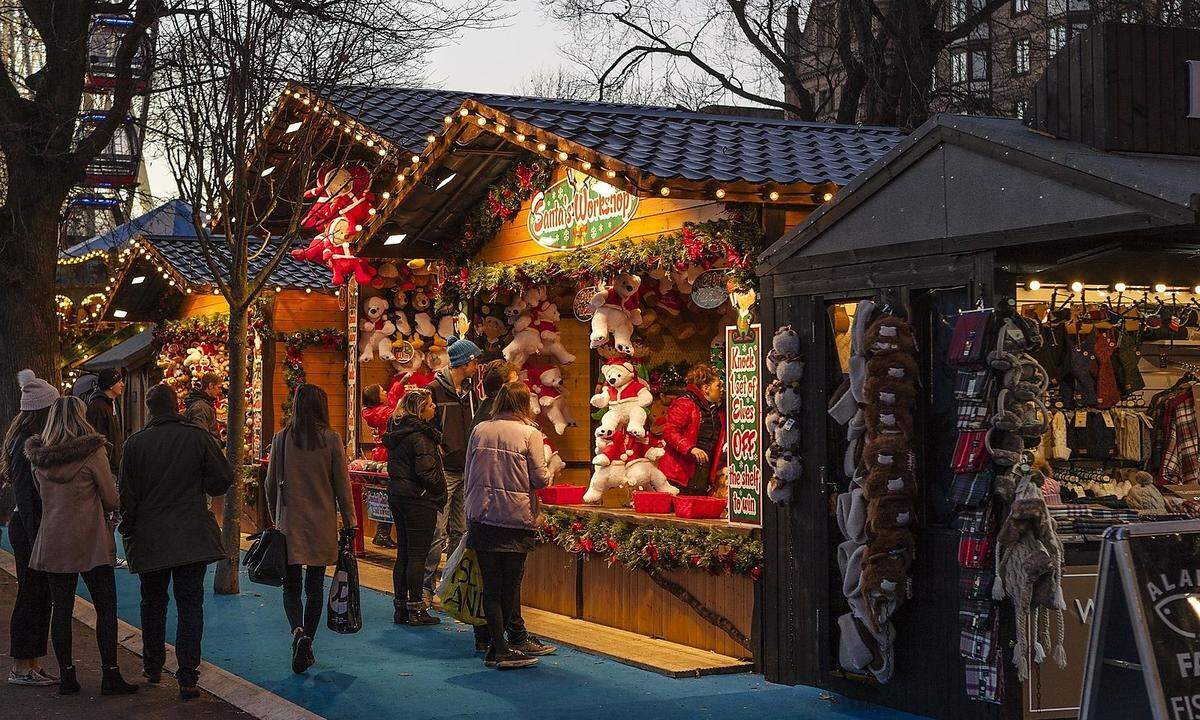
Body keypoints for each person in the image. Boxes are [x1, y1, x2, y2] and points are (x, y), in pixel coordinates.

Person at [119, 384, 233, 700]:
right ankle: (187, 676)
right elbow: (223, 477)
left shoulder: (135, 445)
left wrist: (128, 530)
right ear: (176, 407)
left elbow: (126, 494)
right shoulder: (197, 438)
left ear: (149, 409)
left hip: (151, 536)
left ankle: (153, 665)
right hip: (191, 536)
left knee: (152, 603)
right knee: (190, 605)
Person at [24, 396, 137, 696]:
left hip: (53, 541)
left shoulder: (39, 458)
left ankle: (67, 676)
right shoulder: (92, 452)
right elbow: (112, 498)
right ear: (80, 417)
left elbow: (40, 497)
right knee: (105, 607)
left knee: (60, 610)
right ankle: (110, 674)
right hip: (91, 541)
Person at [264, 384, 356, 675]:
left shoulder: (281, 439)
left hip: (289, 523)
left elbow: (269, 484)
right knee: (314, 587)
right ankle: (309, 642)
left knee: (290, 586)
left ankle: (297, 632)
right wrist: (350, 522)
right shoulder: (331, 440)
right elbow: (342, 485)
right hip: (322, 523)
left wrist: (275, 516)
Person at [465, 361, 554, 657]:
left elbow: (468, 472)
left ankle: (496, 646)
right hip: (515, 518)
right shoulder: (529, 434)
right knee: (510, 585)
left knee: (490, 586)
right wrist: (552, 468)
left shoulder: (480, 430)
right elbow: (540, 478)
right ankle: (508, 643)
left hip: (483, 516)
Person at [4, 370, 57, 687]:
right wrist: (37, 534)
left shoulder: (23, 440)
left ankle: (30, 664)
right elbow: (26, 495)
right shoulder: (27, 444)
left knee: (36, 594)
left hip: (27, 528)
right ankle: (22, 666)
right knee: (32, 595)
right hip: (30, 530)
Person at [422, 336, 483, 598]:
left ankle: (451, 587)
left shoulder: (472, 392)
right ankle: (425, 585)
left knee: (460, 530)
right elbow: (427, 425)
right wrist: (440, 447)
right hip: (445, 469)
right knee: (437, 529)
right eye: (474, 361)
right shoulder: (434, 390)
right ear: (464, 363)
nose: (477, 365)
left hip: (467, 468)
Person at [382, 388, 445, 626]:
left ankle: (401, 607)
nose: (434, 408)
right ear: (420, 410)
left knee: (404, 554)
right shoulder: (421, 435)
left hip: (398, 495)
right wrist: (440, 490)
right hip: (419, 499)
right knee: (418, 555)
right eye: (430, 405)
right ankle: (416, 608)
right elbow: (427, 471)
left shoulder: (397, 431)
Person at [658, 364, 727, 496]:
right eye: (718, 386)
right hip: (681, 472)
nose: (721, 390)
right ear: (706, 388)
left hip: (702, 471)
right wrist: (690, 448)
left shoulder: (717, 409)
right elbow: (669, 431)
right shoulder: (685, 403)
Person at [361, 384, 395, 549]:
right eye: (383, 391)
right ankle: (382, 533)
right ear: (376, 397)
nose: (386, 392)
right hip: (387, 455)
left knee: (382, 496)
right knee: (388, 496)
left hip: (378, 454)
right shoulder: (384, 412)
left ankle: (381, 533)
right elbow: (397, 412)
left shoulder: (370, 412)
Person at [84, 368, 125, 476]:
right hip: (106, 467)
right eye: (119, 382)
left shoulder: (111, 403)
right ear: (111, 385)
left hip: (113, 465)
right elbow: (97, 438)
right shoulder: (98, 407)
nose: (123, 384)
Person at [182, 372, 222, 438]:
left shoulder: (203, 404)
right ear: (210, 386)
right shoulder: (200, 408)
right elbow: (201, 437)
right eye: (219, 387)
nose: (220, 391)